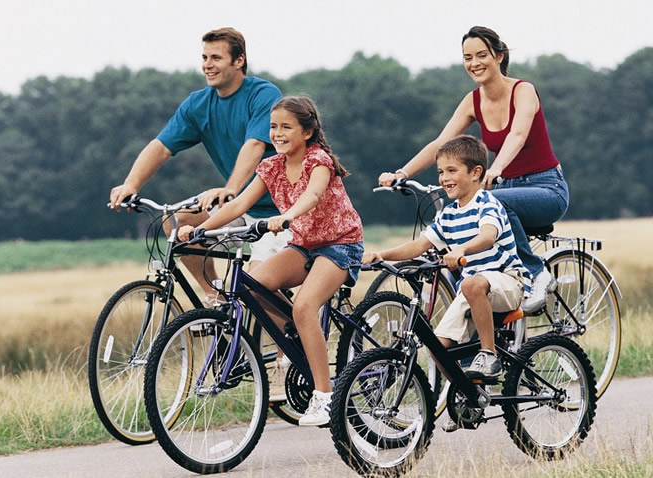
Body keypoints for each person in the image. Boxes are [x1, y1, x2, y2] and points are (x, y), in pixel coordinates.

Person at [178, 96, 364, 427]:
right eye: (273, 127)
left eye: (286, 127)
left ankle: (324, 396)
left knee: (305, 305)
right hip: (304, 245)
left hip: (339, 245)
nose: (277, 133)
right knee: (254, 286)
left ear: (307, 132)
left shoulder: (317, 160)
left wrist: (288, 216)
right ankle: (297, 334)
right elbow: (237, 206)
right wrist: (199, 231)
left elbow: (314, 195)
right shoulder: (271, 166)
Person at [377, 26, 568, 313]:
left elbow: (517, 135)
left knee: (494, 202)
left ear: (499, 56)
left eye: (481, 55)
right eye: (468, 57)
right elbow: (441, 144)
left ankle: (536, 273)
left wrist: (496, 168)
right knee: (468, 234)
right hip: (504, 189)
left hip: (546, 188)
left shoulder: (523, 90)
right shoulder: (473, 101)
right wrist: (402, 174)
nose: (474, 63)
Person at [108, 27, 290, 304]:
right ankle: (214, 298)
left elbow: (254, 145)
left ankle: (292, 347)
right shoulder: (198, 104)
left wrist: (230, 189)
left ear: (238, 60)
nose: (207, 65)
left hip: (281, 212)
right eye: (204, 57)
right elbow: (161, 146)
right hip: (239, 207)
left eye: (216, 57)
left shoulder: (263, 94)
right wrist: (131, 184)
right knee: (178, 221)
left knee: (257, 291)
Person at [364, 134, 531, 379]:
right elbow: (419, 245)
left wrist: (461, 249)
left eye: (452, 170)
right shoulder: (449, 215)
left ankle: (489, 354)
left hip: (507, 280)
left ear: (475, 173)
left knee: (471, 282)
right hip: (472, 289)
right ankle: (467, 398)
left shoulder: (487, 204)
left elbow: (488, 235)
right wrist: (382, 255)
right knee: (437, 348)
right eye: (441, 172)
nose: (444, 178)